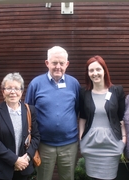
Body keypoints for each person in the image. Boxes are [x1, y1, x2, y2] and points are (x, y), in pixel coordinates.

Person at [25, 46, 80, 180]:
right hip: (44, 144)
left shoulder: (74, 84)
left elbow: (77, 109)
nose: (58, 67)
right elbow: (27, 112)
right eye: (54, 63)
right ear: (47, 63)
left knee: (68, 178)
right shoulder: (36, 84)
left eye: (62, 63)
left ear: (67, 64)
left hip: (69, 144)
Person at [79, 55, 126, 180]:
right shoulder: (84, 93)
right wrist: (81, 138)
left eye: (98, 69)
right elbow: (82, 118)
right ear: (88, 73)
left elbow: (122, 117)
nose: (95, 73)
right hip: (91, 145)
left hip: (112, 145)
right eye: (91, 70)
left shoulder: (117, 91)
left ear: (104, 70)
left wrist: (124, 139)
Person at [0, 72, 40, 180]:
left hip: (23, 168)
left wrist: (28, 157)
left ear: (21, 91)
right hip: (0, 169)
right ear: (3, 92)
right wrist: (15, 160)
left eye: (16, 88)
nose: (13, 92)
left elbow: (36, 137)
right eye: (9, 88)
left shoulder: (30, 111)